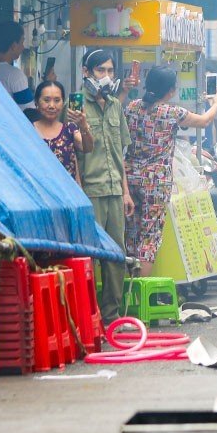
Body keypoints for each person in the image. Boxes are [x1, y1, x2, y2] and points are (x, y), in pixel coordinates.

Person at [124, 66, 217, 275]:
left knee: (131, 233)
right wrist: (215, 103)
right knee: (149, 235)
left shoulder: (132, 107)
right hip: (156, 182)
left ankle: (126, 291)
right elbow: (204, 121)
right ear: (170, 91)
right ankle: (139, 293)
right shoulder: (171, 112)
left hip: (129, 178)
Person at [77, 49, 133, 323]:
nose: (107, 76)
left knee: (116, 256)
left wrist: (125, 191)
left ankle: (111, 316)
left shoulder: (115, 105)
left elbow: (119, 154)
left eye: (111, 71)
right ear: (86, 72)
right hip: (89, 193)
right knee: (88, 255)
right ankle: (87, 317)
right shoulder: (75, 109)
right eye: (101, 70)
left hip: (114, 193)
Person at [32, 81, 92, 185]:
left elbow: (87, 148)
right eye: (46, 100)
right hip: (38, 196)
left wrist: (84, 127)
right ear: (36, 102)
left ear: (63, 102)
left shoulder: (69, 130)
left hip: (67, 197)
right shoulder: (28, 129)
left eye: (57, 100)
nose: (51, 105)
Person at [0, 21, 34, 110]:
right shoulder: (15, 76)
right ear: (14, 46)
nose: (23, 47)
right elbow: (29, 111)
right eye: (22, 42)